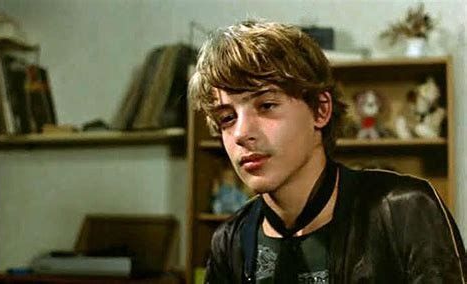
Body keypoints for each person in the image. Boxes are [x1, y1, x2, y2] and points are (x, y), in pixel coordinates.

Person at [188, 20, 466, 283]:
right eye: (227, 118)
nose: (240, 134)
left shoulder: (404, 210)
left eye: (267, 105)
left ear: (320, 110)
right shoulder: (230, 241)